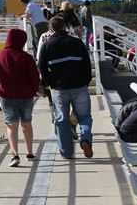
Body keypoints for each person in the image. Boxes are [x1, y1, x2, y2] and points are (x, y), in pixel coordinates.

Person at [37, 16, 94, 159]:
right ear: (64, 27)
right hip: (79, 85)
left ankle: (66, 151)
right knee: (84, 116)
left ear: (51, 29)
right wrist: (86, 80)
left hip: (59, 87)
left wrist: (49, 82)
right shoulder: (77, 42)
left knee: (61, 119)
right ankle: (85, 139)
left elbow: (42, 67)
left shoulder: (47, 45)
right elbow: (87, 63)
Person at [0, 28, 40, 167]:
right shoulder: (27, 57)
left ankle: (15, 155)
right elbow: (35, 78)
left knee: (11, 126)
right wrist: (34, 90)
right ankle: (30, 153)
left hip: (7, 96)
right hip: (26, 96)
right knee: (27, 124)